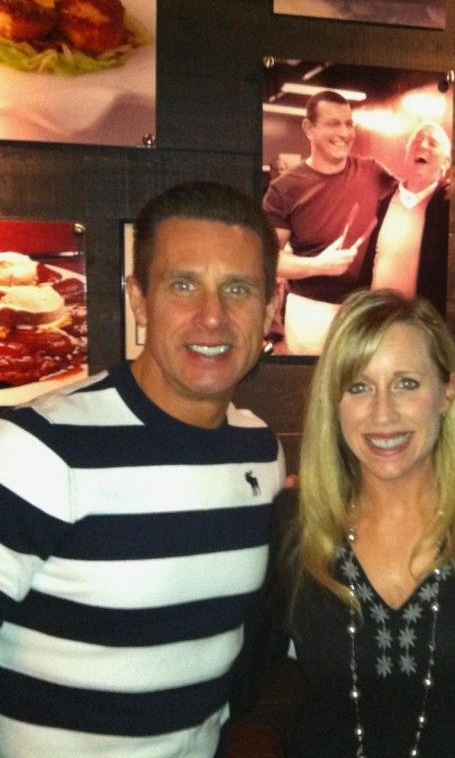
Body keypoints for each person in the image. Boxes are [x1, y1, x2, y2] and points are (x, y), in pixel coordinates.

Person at [0, 181, 285, 757]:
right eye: (184, 285)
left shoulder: (261, 453)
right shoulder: (38, 449)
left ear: (270, 307)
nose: (213, 316)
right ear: (139, 299)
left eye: (238, 288)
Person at [273, 288, 455, 757]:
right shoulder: (293, 527)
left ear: (447, 391)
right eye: (359, 386)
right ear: (334, 401)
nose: (383, 413)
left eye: (407, 383)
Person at [262, 89, 396, 354]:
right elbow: (265, 258)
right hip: (312, 313)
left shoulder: (373, 171)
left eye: (349, 124)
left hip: (363, 310)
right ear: (309, 129)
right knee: (310, 389)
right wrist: (318, 265)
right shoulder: (284, 189)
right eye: (334, 124)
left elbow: (412, 198)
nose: (345, 133)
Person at [368, 120, 451, 315]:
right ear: (407, 155)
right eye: (416, 141)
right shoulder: (384, 200)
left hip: (419, 321)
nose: (422, 145)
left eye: (432, 143)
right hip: (376, 315)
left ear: (446, 163)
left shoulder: (448, 207)